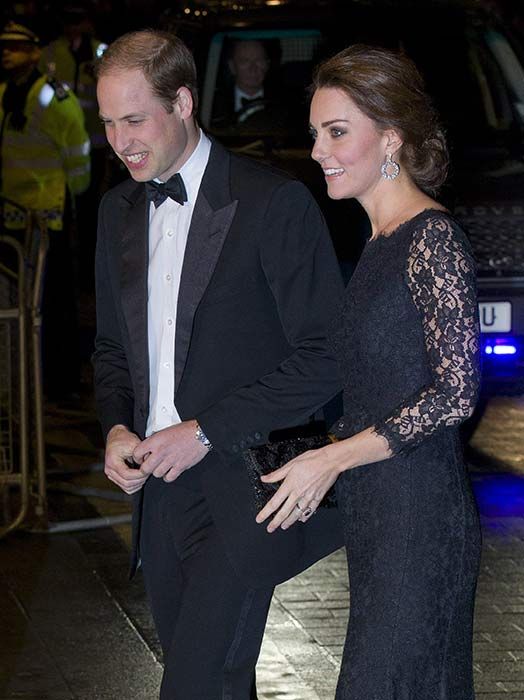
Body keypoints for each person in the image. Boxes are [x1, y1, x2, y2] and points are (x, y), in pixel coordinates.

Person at [92, 29, 343, 700]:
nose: (122, 141)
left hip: (244, 485)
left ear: (181, 102)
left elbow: (327, 355)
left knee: (195, 682)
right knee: (215, 680)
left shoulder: (272, 202)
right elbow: (113, 351)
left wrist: (205, 429)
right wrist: (117, 427)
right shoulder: (117, 210)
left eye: (135, 119)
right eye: (109, 123)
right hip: (160, 493)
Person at [257, 44, 481, 699]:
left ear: (389, 138)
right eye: (315, 134)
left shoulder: (432, 240)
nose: (319, 151)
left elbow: (454, 392)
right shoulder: (379, 245)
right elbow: (377, 389)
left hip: (421, 522)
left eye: (336, 132)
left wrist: (331, 461)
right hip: (379, 519)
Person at [0, 20, 90, 398]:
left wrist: (71, 197)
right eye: (4, 46)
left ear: (35, 52)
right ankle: (23, 377)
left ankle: (59, 379)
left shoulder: (54, 96)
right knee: (16, 305)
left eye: (17, 46)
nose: (7, 53)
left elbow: (78, 153)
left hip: (45, 214)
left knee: (51, 305)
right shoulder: (5, 92)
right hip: (10, 214)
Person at [211, 39, 278, 129]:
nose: (253, 69)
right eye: (245, 61)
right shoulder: (213, 105)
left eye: (259, 60)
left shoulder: (283, 101)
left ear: (267, 64)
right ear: (232, 66)